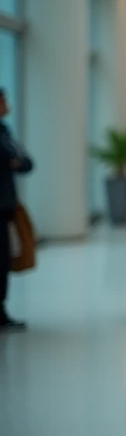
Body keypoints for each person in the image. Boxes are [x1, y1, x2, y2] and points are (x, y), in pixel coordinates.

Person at [0, 88, 33, 331]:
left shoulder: (4, 131)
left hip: (5, 204)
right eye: (4, 100)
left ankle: (1, 310)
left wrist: (13, 162)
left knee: (4, 258)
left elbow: (26, 162)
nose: (7, 104)